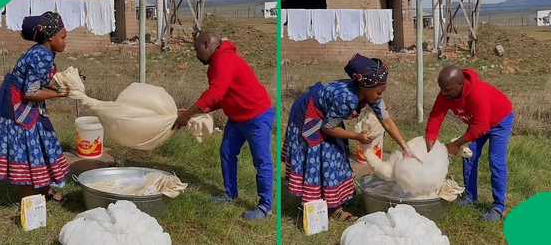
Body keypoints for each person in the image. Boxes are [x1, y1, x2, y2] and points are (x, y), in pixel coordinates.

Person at [282, 54, 420, 221]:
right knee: (323, 158)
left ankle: (332, 203)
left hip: (327, 118)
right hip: (308, 116)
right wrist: (357, 136)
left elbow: (387, 121)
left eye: (382, 91)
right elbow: (327, 128)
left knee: (336, 157)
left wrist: (406, 147)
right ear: (365, 86)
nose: (380, 96)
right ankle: (319, 207)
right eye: (378, 92)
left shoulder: (370, 92)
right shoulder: (346, 98)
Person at [173, 32, 274, 220]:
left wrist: (188, 115)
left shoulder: (224, 59)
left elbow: (215, 93)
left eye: (196, 50)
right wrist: (193, 112)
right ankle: (230, 194)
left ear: (206, 44)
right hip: (237, 118)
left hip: (257, 116)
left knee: (262, 161)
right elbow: (221, 97)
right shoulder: (215, 64)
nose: (196, 55)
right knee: (227, 153)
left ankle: (265, 207)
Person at [425, 65, 514, 222]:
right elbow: (436, 116)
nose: (443, 93)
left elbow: (481, 127)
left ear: (461, 85)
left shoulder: (477, 94)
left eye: (448, 90)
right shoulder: (446, 93)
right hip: (478, 122)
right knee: (469, 156)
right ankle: (470, 198)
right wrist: (430, 139)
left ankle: (498, 206)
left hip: (500, 120)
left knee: (496, 161)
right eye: (442, 89)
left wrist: (456, 144)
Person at [0, 11, 70, 202]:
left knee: (44, 142)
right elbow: (30, 92)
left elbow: (39, 81)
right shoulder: (41, 56)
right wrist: (59, 94)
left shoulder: (46, 51)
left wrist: (60, 83)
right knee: (29, 150)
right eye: (63, 37)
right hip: (18, 107)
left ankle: (45, 190)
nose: (65, 41)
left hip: (28, 104)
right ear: (50, 37)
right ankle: (29, 201)